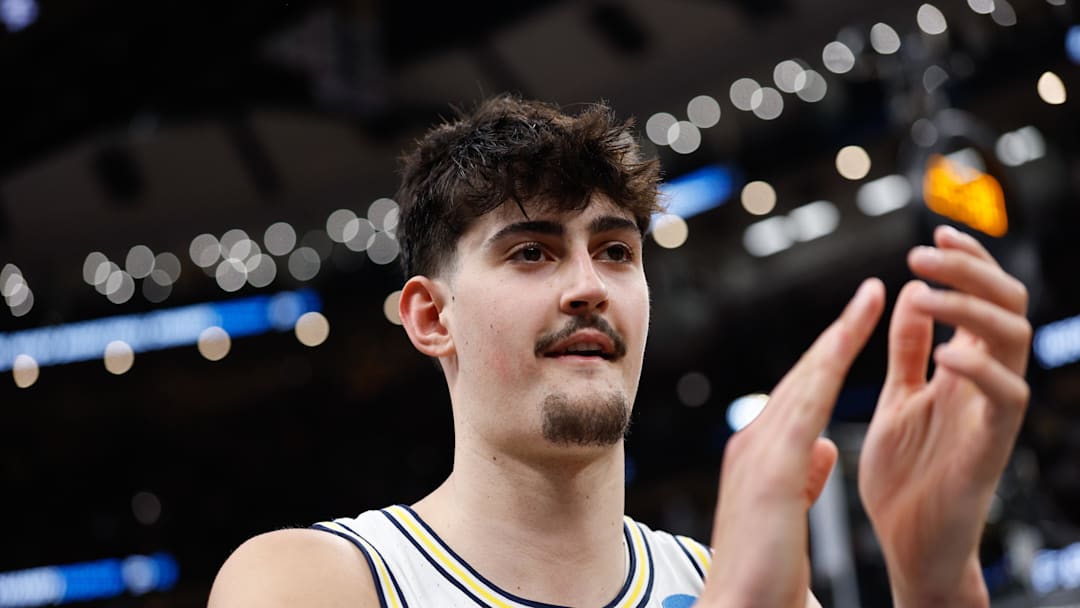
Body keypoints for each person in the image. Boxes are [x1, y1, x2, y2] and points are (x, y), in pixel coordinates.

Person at [208, 95, 1032, 607]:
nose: (588, 286)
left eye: (615, 251)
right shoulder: (309, 581)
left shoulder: (734, 581)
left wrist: (934, 583)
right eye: (531, 252)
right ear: (430, 317)